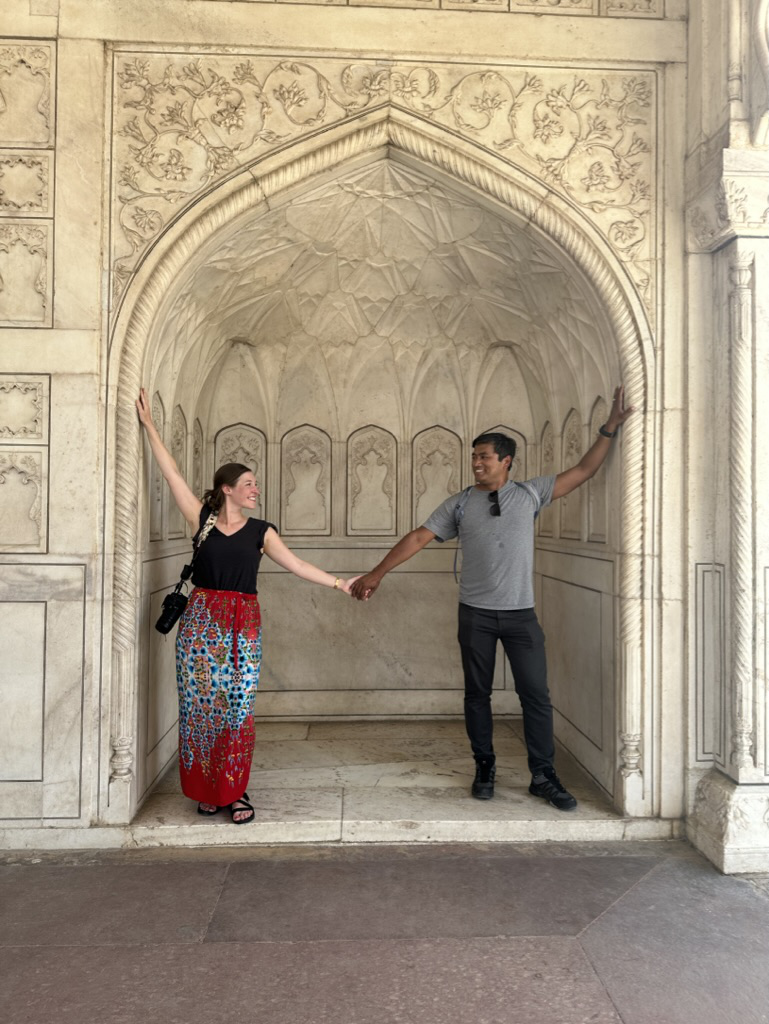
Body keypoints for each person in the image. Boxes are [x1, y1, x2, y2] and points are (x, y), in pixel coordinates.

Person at [351, 386, 635, 810]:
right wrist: (377, 573)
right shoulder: (461, 503)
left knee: (535, 695)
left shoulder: (530, 493)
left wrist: (609, 428)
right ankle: (484, 766)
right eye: (474, 457)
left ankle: (543, 776)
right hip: (476, 616)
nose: (477, 463)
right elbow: (418, 537)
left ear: (506, 461)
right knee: (477, 694)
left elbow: (584, 470)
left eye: (484, 456)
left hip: (521, 617)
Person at [136, 389, 360, 824]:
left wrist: (340, 584)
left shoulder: (262, 530)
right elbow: (173, 475)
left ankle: (235, 792)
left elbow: (295, 564)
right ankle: (206, 789)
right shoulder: (202, 519)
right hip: (200, 623)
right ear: (227, 490)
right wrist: (149, 427)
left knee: (237, 709)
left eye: (255, 484)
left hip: (243, 624)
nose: (256, 489)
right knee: (201, 708)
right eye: (249, 484)